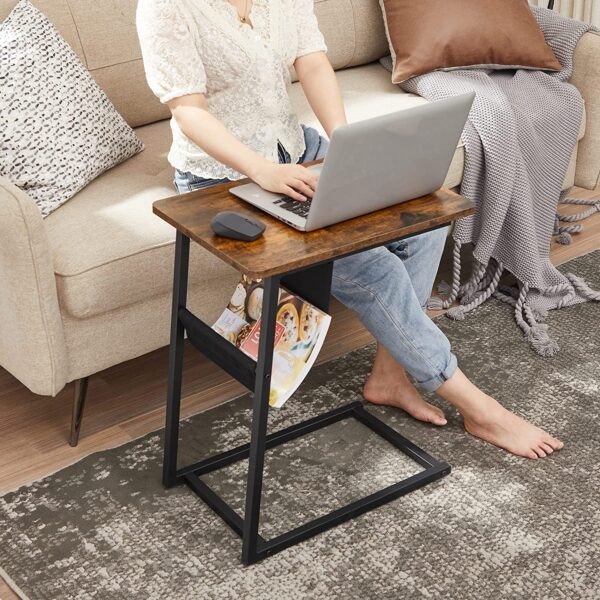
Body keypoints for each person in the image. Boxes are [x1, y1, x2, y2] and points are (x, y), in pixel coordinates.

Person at [137, 0, 564, 459]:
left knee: (422, 218)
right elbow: (188, 110)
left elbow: (312, 61)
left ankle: (389, 376)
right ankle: (479, 409)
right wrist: (262, 171)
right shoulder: (166, 7)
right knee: (377, 270)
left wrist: (346, 144)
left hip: (297, 150)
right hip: (223, 177)